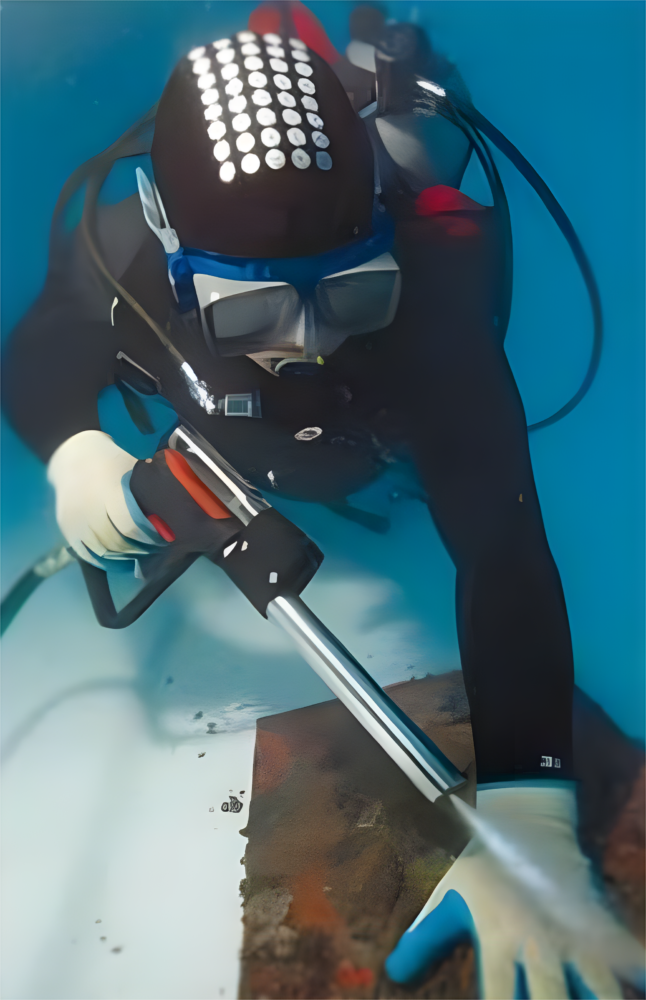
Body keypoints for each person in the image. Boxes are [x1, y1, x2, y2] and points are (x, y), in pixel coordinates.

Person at [3, 3, 644, 996]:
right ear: (167, 242)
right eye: (255, 309)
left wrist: (532, 805)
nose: (307, 345)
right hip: (258, 426)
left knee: (420, 211)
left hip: (373, 416)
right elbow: (44, 352)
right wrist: (74, 452)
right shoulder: (122, 251)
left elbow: (502, 543)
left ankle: (389, 73)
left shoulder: (430, 295)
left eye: (349, 296)